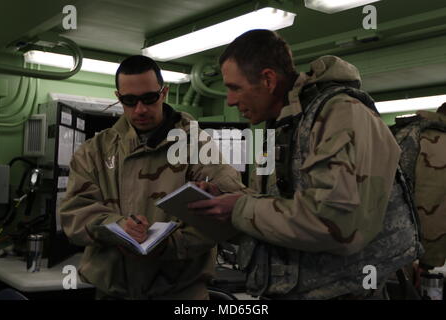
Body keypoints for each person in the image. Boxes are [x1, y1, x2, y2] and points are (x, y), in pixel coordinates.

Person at [189, 29, 422, 299]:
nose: (230, 100)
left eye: (234, 88)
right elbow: (284, 202)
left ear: (268, 79)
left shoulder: (340, 114)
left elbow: (333, 222)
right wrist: (230, 201)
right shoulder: (287, 124)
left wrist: (239, 207)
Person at [59, 55, 245, 300]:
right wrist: (117, 227)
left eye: (149, 98)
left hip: (180, 293)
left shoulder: (197, 147)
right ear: (118, 98)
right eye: (129, 101)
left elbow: (228, 211)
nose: (140, 109)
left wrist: (169, 244)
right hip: (114, 293)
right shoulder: (95, 151)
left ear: (164, 92)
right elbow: (74, 214)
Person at [391, 103, 446, 286]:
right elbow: (430, 205)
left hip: (386, 242)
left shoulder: (412, 131)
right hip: (405, 252)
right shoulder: (437, 141)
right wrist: (426, 262)